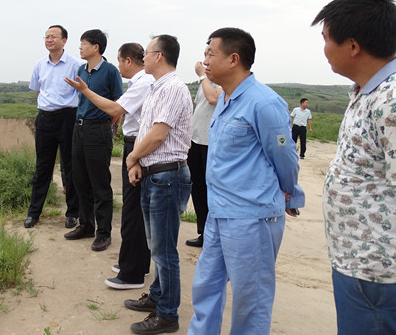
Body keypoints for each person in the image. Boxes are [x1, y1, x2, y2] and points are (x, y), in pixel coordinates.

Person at [312, 0, 396, 335]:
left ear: (353, 46)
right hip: (365, 272)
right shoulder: (369, 92)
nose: (324, 49)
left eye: (326, 39)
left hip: (389, 280)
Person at [188, 27, 300, 335]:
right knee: (206, 286)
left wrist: (290, 192)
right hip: (219, 212)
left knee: (251, 299)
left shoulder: (264, 103)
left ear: (233, 59)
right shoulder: (225, 98)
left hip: (252, 217)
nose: (205, 60)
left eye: (211, 53)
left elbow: (285, 156)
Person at [64, 42, 154, 289]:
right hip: (91, 131)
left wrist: (86, 91)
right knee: (83, 181)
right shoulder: (139, 82)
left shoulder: (141, 82)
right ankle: (135, 263)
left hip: (131, 142)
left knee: (130, 209)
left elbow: (115, 107)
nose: (118, 64)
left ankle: (130, 269)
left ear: (127, 61)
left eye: (120, 59)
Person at [122, 34, 193, 334]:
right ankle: (157, 296)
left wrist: (131, 157)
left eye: (147, 53)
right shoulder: (155, 88)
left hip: (168, 177)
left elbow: (158, 135)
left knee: (164, 251)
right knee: (156, 246)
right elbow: (145, 131)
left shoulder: (173, 88)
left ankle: (167, 315)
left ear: (159, 56)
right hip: (154, 174)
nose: (144, 57)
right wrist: (138, 162)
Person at [64, 29, 123, 252]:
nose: (80, 47)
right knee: (80, 180)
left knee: (100, 183)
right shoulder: (81, 70)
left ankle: (104, 233)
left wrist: (108, 127)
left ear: (96, 47)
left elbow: (117, 104)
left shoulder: (110, 71)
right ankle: (86, 225)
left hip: (98, 129)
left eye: (83, 43)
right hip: (79, 128)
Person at [24, 25, 81, 229]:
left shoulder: (75, 64)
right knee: (42, 167)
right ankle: (34, 213)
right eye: (46, 36)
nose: (49, 40)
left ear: (64, 40)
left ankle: (72, 213)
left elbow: (81, 91)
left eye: (53, 36)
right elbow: (38, 91)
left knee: (71, 166)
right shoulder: (40, 64)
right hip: (45, 119)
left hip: (68, 118)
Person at [185, 45, 221, 249]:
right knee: (197, 187)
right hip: (196, 141)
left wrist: (201, 76)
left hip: (211, 143)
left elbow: (213, 98)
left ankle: (214, 236)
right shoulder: (206, 81)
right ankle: (203, 233)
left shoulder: (221, 81)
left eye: (210, 54)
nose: (205, 59)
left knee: (210, 189)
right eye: (205, 54)